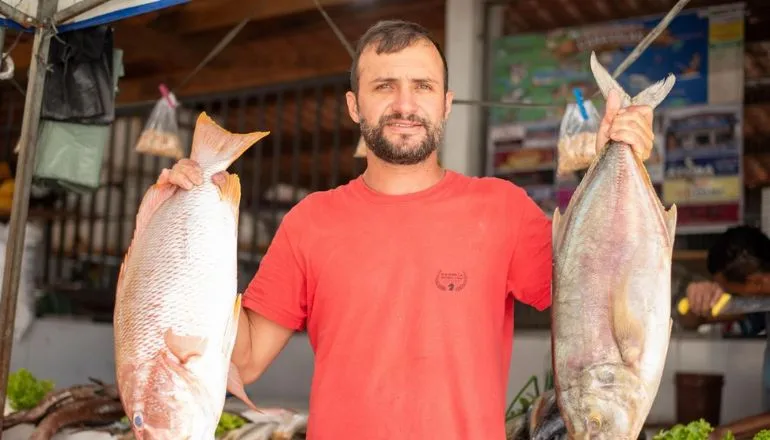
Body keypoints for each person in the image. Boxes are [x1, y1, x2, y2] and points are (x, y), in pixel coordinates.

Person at [157, 20, 656, 440]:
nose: (404, 103)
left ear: (445, 103)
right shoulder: (310, 220)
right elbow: (240, 360)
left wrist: (627, 161)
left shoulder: (501, 208)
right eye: (383, 86)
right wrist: (174, 230)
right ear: (355, 106)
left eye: (422, 86)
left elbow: (603, 300)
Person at [682, 225, 770, 438]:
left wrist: (720, 434)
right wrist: (697, 299)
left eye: (729, 290)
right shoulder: (762, 303)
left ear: (756, 283)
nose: (726, 296)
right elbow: (691, 322)